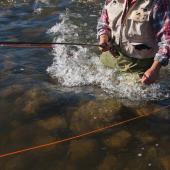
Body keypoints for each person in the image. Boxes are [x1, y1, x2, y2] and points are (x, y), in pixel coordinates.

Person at [97, 0, 170, 84]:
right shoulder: (110, 1)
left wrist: (154, 69)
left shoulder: (158, 3)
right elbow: (103, 24)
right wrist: (103, 38)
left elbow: (167, 41)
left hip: (141, 67)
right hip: (109, 59)